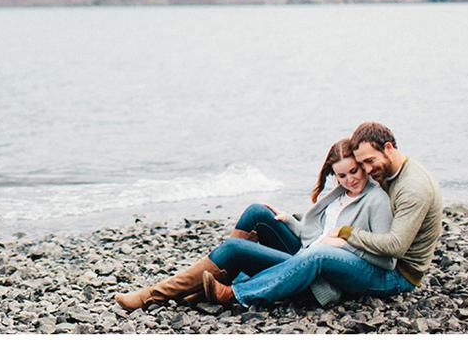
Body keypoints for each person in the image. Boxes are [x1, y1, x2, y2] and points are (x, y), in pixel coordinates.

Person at [115, 137, 395, 311]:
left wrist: (345, 243)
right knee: (258, 212)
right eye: (341, 176)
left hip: (317, 272)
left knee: (234, 249)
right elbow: (317, 236)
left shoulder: (376, 200)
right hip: (305, 253)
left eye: (354, 171)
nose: (350, 180)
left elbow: (385, 258)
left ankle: (152, 295)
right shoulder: (339, 194)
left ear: (363, 165)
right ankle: (212, 283)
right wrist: (291, 222)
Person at [200, 121, 443, 308]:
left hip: (396, 276)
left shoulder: (411, 189)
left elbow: (395, 249)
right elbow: (328, 226)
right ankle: (218, 277)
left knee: (317, 255)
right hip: (355, 254)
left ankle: (237, 294)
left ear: (388, 148)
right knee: (259, 213)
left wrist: (345, 235)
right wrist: (293, 222)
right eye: (361, 165)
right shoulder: (381, 174)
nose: (367, 171)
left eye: (367, 163)